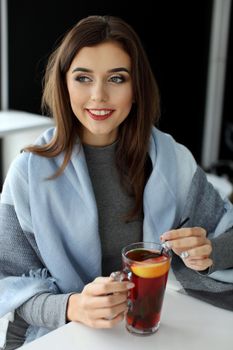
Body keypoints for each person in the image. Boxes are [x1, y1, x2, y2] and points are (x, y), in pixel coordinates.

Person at [0, 15, 233, 349]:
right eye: (83, 78)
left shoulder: (171, 160)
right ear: (64, 85)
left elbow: (230, 234)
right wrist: (71, 306)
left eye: (117, 78)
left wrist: (210, 253)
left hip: (152, 332)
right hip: (66, 336)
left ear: (136, 88)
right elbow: (6, 283)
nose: (99, 95)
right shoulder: (28, 172)